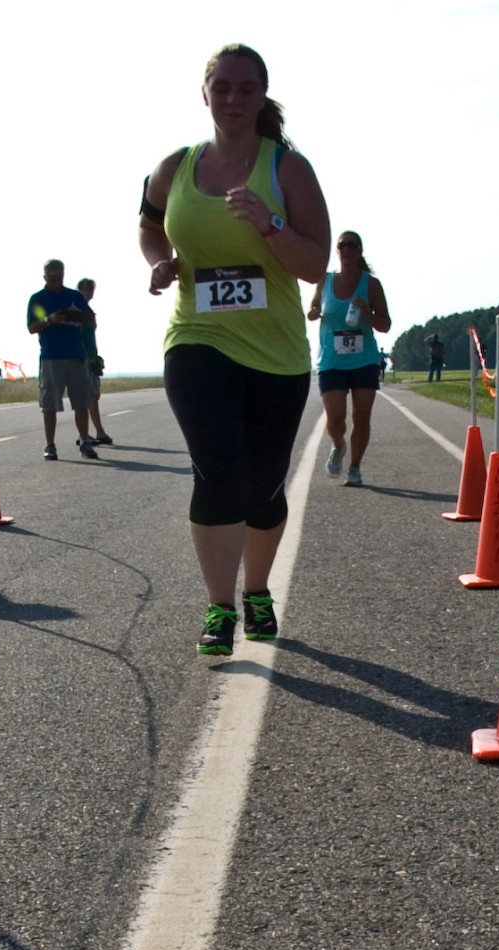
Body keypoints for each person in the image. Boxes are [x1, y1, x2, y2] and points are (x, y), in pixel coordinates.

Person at [139, 43, 329, 656]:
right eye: (222, 87)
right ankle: (219, 608)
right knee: (219, 471)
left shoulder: (288, 170)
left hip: (276, 353)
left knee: (264, 488)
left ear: (261, 95)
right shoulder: (175, 167)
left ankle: (256, 591)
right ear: (205, 94)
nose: (233, 99)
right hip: (197, 339)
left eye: (246, 89)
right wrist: (159, 262)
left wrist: (269, 224)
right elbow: (147, 224)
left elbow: (315, 264)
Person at [307, 231, 390, 486]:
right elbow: (313, 309)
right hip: (332, 359)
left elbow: (385, 324)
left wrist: (366, 312)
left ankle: (354, 467)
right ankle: (338, 445)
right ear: (337, 251)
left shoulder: (371, 285)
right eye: (342, 245)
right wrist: (313, 311)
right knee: (335, 416)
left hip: (364, 359)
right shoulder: (325, 281)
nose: (347, 250)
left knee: (361, 415)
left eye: (352, 245)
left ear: (360, 251)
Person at [27, 260, 99, 461]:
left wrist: (76, 316)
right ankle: (50, 445)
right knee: (49, 404)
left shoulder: (74, 296)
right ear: (45, 278)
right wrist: (49, 320)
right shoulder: (38, 299)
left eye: (59, 278)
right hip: (51, 357)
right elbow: (32, 327)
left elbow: (91, 319)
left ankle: (85, 441)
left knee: (81, 402)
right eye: (51, 279)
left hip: (76, 355)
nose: (56, 282)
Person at [76, 276, 113, 445]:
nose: (90, 293)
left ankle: (96, 431)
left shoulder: (88, 310)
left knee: (93, 396)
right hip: (83, 358)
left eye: (91, 289)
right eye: (87, 289)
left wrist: (95, 356)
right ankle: (92, 433)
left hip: (91, 356)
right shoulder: (78, 311)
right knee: (88, 397)